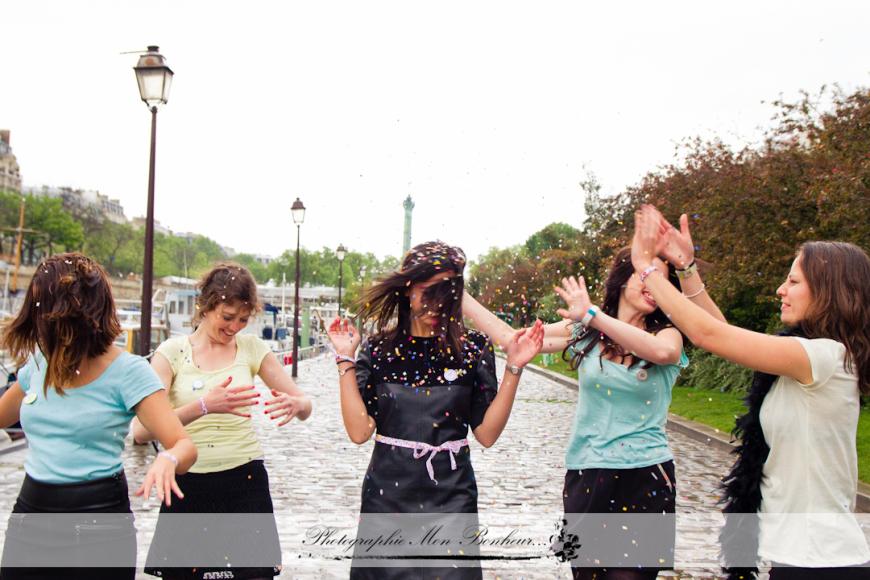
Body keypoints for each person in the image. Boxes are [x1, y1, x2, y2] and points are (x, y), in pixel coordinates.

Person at [463, 236, 723, 580]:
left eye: (661, 279)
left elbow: (663, 354)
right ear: (622, 278)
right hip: (588, 474)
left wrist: (593, 316)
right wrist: (459, 293)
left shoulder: (668, 333)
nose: (653, 286)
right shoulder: (585, 331)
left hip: (645, 476)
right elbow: (512, 338)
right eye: (646, 276)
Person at [632, 204, 870, 579]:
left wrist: (645, 266)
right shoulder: (806, 357)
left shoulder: (824, 357)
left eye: (793, 281)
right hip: (800, 558)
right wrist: (686, 269)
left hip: (822, 561)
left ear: (828, 291)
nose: (781, 289)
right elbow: (724, 333)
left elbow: (707, 335)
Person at [326, 241, 544, 579]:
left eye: (448, 293)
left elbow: (486, 434)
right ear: (408, 289)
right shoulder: (380, 349)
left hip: (452, 497)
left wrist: (515, 367)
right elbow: (359, 432)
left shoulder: (472, 349)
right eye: (430, 292)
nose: (438, 305)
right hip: (388, 498)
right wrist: (345, 360)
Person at [0, 253, 197, 580]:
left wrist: (169, 460)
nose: (37, 321)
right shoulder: (39, 362)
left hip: (99, 523)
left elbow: (183, 444)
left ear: (73, 314)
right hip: (30, 517)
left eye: (42, 310)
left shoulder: (128, 372)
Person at [133, 262, 313, 580]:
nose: (234, 328)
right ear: (206, 305)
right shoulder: (171, 353)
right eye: (227, 318)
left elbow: (306, 404)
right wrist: (204, 406)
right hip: (187, 483)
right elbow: (140, 431)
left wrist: (297, 404)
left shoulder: (252, 348)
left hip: (244, 481)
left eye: (243, 320)